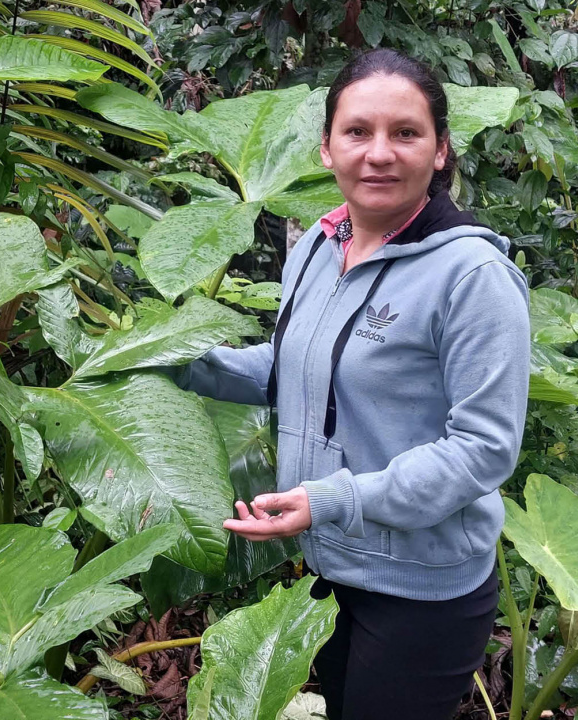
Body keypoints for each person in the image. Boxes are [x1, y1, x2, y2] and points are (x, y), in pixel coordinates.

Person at [166, 48, 530, 719]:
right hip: (330, 566)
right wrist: (182, 360)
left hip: (423, 590)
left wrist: (331, 499)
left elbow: (484, 448)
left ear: (442, 150)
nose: (380, 153)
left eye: (406, 133)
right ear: (328, 148)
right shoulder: (318, 244)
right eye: (358, 132)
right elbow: (295, 369)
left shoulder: (472, 275)